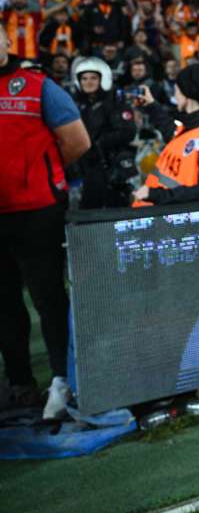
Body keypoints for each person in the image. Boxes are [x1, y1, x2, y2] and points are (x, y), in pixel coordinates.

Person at [0, 27, 91, 418]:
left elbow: (77, 142)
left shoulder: (39, 86)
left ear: (8, 42)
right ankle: (20, 383)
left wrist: (37, 175)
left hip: (38, 212)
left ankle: (62, 378)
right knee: (4, 302)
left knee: (48, 298)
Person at [132, 63, 199, 206]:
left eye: (177, 90)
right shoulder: (192, 127)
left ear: (188, 95)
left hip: (176, 215)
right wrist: (151, 105)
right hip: (166, 213)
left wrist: (155, 195)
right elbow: (171, 131)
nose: (175, 95)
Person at [71, 57, 138, 208]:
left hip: (111, 166)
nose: (88, 82)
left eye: (93, 78)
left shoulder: (115, 101)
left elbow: (128, 131)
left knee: (116, 210)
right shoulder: (78, 105)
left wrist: (99, 143)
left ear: (103, 79)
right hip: (87, 166)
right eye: (84, 78)